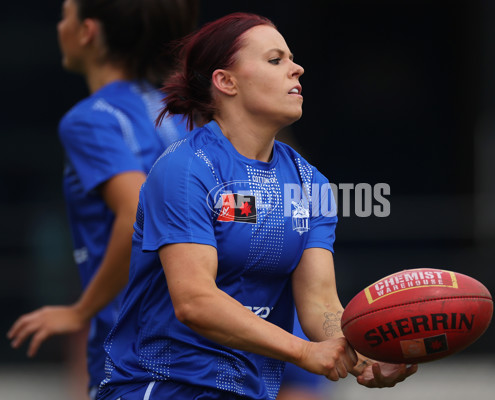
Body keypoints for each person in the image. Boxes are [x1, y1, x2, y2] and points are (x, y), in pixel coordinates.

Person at [96, 12, 418, 400]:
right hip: (164, 388)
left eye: (292, 58)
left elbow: (319, 303)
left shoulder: (308, 182)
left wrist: (364, 352)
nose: (297, 69)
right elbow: (195, 302)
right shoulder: (185, 168)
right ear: (226, 81)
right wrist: (303, 351)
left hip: (248, 393)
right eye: (275, 59)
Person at [7, 0, 198, 398]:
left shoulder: (91, 118)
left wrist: (80, 311)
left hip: (136, 360)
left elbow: (135, 213)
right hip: (201, 357)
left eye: (65, 16)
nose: (60, 27)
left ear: (87, 32)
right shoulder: (180, 113)